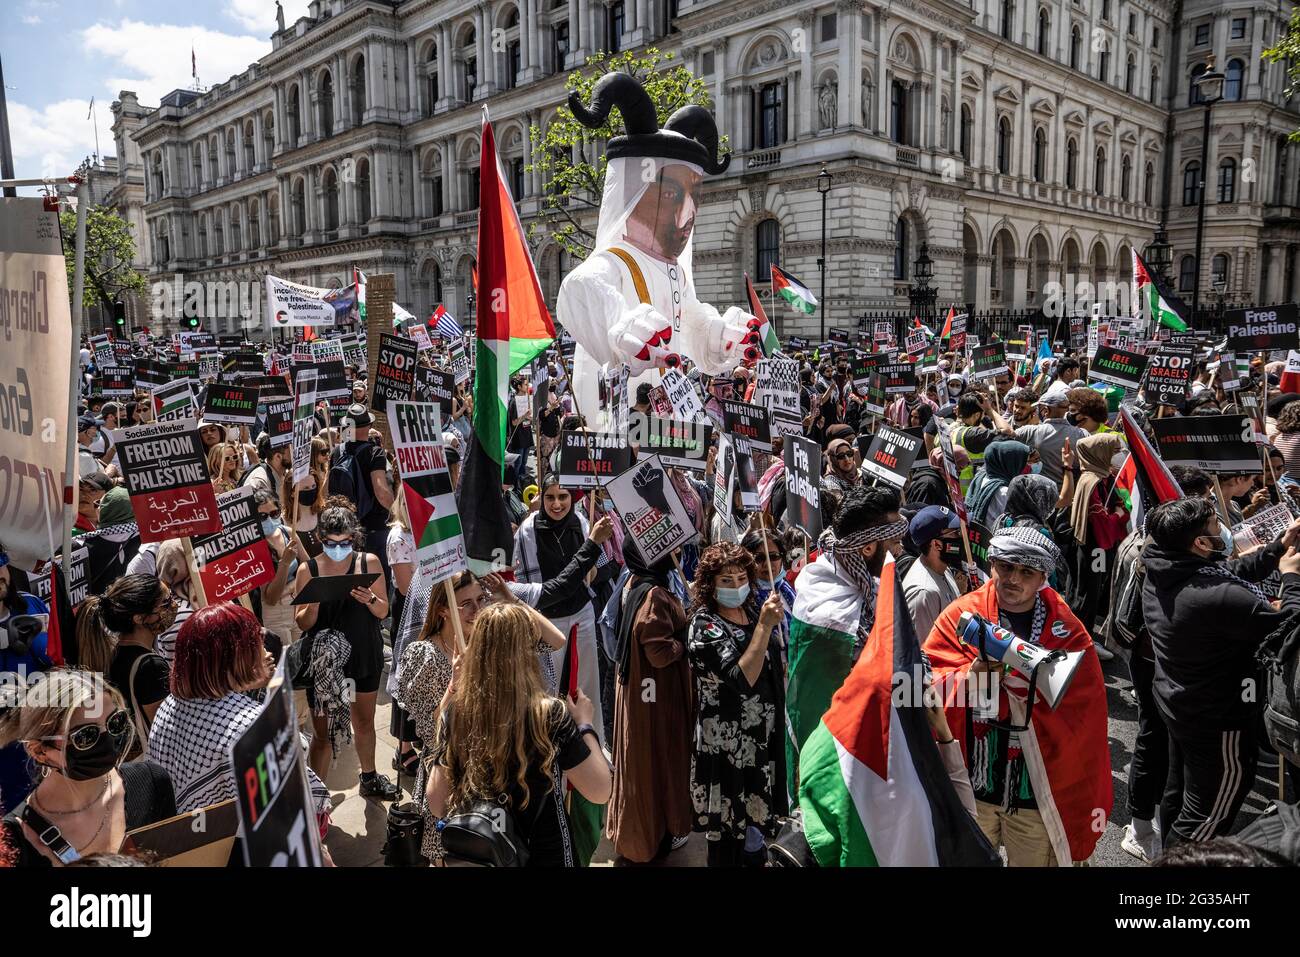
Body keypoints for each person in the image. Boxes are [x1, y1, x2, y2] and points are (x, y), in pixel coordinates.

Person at [924, 525, 1111, 866]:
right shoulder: (961, 614)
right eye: (1005, 567)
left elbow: (1086, 711)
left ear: (1042, 577)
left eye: (1026, 572)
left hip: (1034, 796)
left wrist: (1029, 689)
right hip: (970, 786)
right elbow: (925, 687)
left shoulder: (1067, 629)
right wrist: (969, 680)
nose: (1012, 579)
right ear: (992, 564)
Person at [1141, 496, 1300, 847]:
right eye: (1215, 525)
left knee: (1180, 795)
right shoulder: (1218, 597)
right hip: (1217, 721)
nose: (1222, 532)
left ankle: (1166, 849)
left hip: (1177, 702)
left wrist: (1278, 548)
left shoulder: (1164, 567)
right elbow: (1287, 626)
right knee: (1210, 813)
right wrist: (1292, 580)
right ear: (1199, 543)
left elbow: (1230, 573)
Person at [424, 603, 613, 867]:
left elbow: (435, 802)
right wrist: (584, 725)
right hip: (545, 854)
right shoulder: (549, 716)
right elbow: (600, 790)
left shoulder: (456, 712)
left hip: (485, 854)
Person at [147, 603, 331, 823]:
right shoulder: (251, 726)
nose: (265, 652)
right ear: (232, 658)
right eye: (255, 645)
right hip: (240, 846)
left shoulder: (170, 704)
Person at [1, 669, 176, 867]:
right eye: (86, 736)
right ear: (39, 751)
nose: (108, 741)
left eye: (115, 723)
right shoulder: (15, 840)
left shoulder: (152, 783)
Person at [787, 485, 906, 776]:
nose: (899, 549)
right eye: (892, 542)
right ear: (867, 548)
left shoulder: (872, 586)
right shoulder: (828, 618)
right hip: (838, 758)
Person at [687, 541, 788, 866]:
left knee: (756, 834)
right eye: (726, 580)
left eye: (741, 578)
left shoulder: (754, 610)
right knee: (728, 841)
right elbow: (741, 678)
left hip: (761, 742)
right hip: (727, 753)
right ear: (710, 584)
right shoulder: (705, 627)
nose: (736, 586)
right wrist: (764, 627)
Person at [293, 498, 396, 798]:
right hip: (325, 664)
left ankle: (370, 776)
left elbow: (383, 611)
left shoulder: (369, 563)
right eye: (331, 542)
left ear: (354, 538)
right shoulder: (307, 570)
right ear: (321, 539)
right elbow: (302, 623)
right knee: (322, 735)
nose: (338, 548)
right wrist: (312, 603)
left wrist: (370, 600)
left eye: (345, 542)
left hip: (363, 655)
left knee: (363, 722)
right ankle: (315, 797)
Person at [606, 537, 694, 864]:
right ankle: (652, 834)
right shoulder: (654, 594)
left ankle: (646, 832)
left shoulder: (638, 582)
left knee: (643, 759)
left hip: (641, 691)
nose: (676, 553)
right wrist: (684, 643)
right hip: (654, 694)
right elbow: (657, 652)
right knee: (655, 760)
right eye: (667, 548)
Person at [513, 476, 604, 742]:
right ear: (541, 498)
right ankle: (554, 749)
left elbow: (593, 572)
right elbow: (534, 590)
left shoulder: (581, 521)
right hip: (547, 620)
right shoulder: (528, 531)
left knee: (587, 683)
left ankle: (592, 742)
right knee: (550, 689)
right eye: (550, 497)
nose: (557, 504)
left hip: (582, 613)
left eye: (563, 497)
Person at [76, 575, 175, 738]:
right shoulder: (151, 667)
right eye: (165, 602)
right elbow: (165, 731)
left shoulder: (111, 653)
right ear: (139, 618)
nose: (173, 605)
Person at [1059, 433, 1128, 643]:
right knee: (1088, 591)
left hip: (1091, 544)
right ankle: (1083, 637)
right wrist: (1119, 515)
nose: (1120, 455)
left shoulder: (1097, 475)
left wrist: (1118, 512)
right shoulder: (1093, 481)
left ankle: (1079, 631)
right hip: (1094, 546)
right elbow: (1103, 522)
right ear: (1101, 453)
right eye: (1114, 451)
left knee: (1085, 588)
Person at [329, 404, 396, 582]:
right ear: (368, 427)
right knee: (377, 582)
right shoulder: (375, 453)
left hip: (345, 528)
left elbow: (326, 489)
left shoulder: (337, 452)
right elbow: (381, 492)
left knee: (352, 581)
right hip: (374, 530)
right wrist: (397, 513)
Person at [902, 505, 963, 644]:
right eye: (955, 532)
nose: (960, 536)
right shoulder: (924, 593)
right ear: (937, 544)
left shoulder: (944, 569)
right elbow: (920, 654)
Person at [1013, 381, 1085, 486]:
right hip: (1069, 494)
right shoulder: (1082, 434)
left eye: (1038, 408)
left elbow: (1004, 438)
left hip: (1038, 492)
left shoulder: (1030, 431)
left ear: (1046, 411)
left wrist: (989, 410)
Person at [966, 440, 1031, 528]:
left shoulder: (981, 477)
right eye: (1025, 462)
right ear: (1011, 463)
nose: (1028, 466)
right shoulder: (1005, 492)